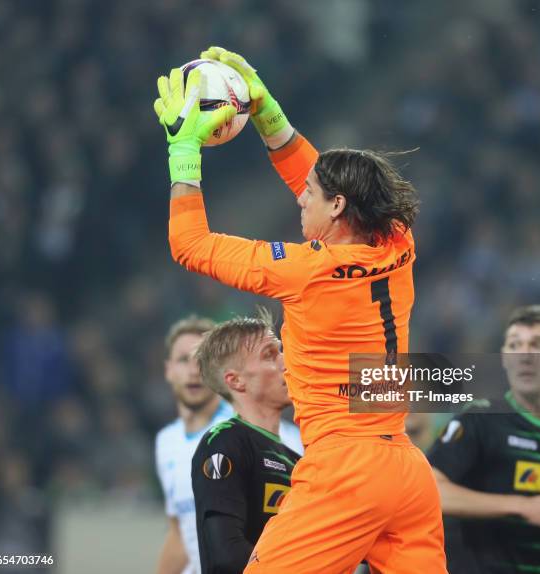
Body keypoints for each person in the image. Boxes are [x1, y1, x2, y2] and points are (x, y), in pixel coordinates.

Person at [154, 47, 446, 573]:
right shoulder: (398, 243)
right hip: (406, 470)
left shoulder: (303, 271)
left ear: (337, 206)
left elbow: (189, 245)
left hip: (346, 467)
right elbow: (320, 179)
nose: (298, 199)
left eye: (309, 195)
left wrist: (185, 148)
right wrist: (270, 118)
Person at [427, 304, 540, 574]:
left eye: (539, 345)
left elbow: (531, 529)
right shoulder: (479, 420)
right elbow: (429, 493)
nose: (525, 356)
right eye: (515, 345)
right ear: (504, 357)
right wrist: (523, 506)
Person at [155, 315, 303, 574]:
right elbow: (225, 556)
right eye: (270, 355)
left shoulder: (299, 456)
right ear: (235, 381)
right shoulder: (222, 443)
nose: (285, 361)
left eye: (281, 350)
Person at [155, 315, 234, 574]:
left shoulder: (243, 430)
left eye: (203, 360)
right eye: (183, 360)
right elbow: (181, 535)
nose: (193, 370)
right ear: (168, 370)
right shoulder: (166, 442)